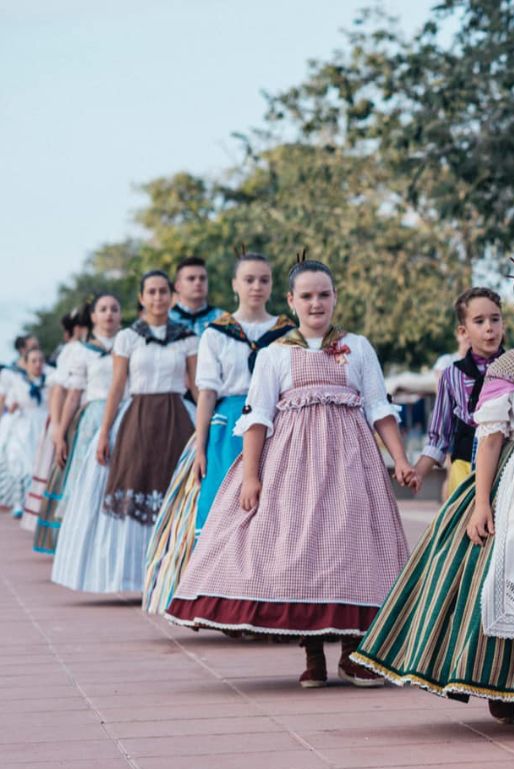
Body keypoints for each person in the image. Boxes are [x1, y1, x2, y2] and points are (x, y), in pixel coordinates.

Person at [353, 261, 514, 735]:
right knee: (510, 574)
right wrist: (480, 502)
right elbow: (491, 439)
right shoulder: (506, 370)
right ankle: (500, 681)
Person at [166, 260, 414, 688]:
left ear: (336, 297)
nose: (316, 303)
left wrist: (401, 459)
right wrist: (251, 476)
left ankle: (353, 651)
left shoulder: (358, 346)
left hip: (350, 461)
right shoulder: (275, 354)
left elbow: (378, 407)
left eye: (324, 294)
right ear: (292, 302)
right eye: (307, 296)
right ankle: (313, 652)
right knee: (301, 551)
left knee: (349, 546)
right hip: (293, 465)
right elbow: (258, 415)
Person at [143, 252, 293, 615]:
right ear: (234, 285)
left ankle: (271, 604)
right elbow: (206, 390)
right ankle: (221, 603)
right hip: (228, 424)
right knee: (220, 508)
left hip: (277, 422)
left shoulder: (288, 333)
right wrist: (200, 445)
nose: (257, 286)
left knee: (277, 511)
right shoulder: (216, 333)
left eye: (264, 280)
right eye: (249, 279)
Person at [77, 271, 199, 594]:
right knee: (135, 483)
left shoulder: (187, 336)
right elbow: (117, 385)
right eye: (151, 292)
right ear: (142, 298)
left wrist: (207, 425)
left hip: (177, 416)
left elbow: (196, 385)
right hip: (137, 416)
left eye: (163, 291)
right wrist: (104, 432)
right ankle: (133, 574)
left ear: (172, 296)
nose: (158, 297)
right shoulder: (128, 337)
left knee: (175, 489)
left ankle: (175, 572)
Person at [50, 295, 123, 590]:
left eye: (115, 310)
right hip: (93, 417)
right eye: (103, 310)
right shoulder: (81, 352)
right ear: (92, 317)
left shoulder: (129, 343)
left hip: (125, 414)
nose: (109, 315)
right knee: (89, 484)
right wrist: (60, 431)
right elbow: (73, 395)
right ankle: (85, 555)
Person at [411, 287, 505, 497]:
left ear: (503, 324)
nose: (489, 328)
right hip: (463, 470)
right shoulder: (451, 375)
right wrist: (418, 472)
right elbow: (439, 437)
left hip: (508, 469)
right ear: (463, 332)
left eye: (495, 319)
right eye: (479, 321)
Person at [30, 306, 91, 551]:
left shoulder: (114, 344)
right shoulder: (73, 350)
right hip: (76, 419)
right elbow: (59, 389)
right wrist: (57, 425)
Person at [0, 348, 48, 516]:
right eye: (33, 361)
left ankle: (37, 502)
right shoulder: (18, 382)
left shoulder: (50, 381)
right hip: (24, 428)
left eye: (40, 360)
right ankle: (18, 502)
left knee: (40, 466)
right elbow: (9, 405)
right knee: (21, 466)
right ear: (26, 364)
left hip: (43, 425)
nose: (37, 364)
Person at [168, 256, 222, 335]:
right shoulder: (166, 320)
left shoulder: (222, 320)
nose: (198, 282)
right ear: (178, 286)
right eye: (191, 278)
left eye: (202, 278)